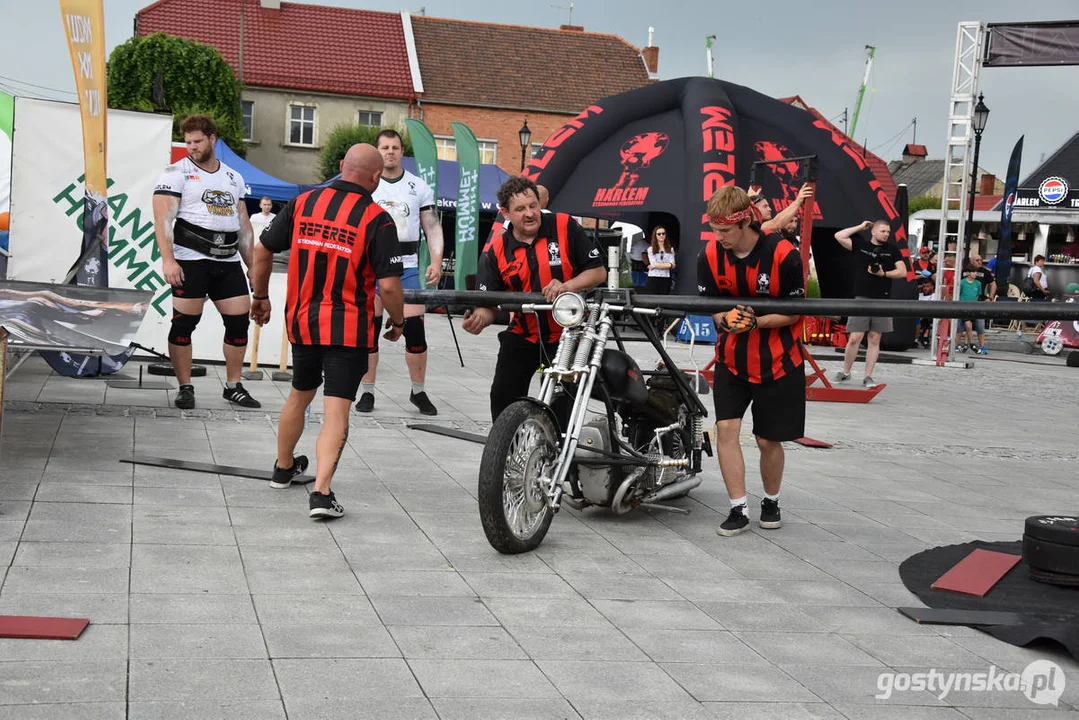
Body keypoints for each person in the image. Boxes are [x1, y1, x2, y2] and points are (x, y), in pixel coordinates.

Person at [250, 143, 405, 519]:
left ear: (340, 167)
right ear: (375, 178)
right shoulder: (377, 219)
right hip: (348, 329)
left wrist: (260, 296)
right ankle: (321, 493)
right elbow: (388, 287)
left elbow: (263, 249)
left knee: (299, 395)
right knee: (336, 410)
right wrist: (399, 322)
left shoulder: (303, 203)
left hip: (303, 321)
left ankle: (283, 468)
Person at [697, 186, 805, 537]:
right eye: (715, 230)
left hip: (779, 359)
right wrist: (723, 320)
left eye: (725, 231)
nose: (719, 237)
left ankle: (771, 500)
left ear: (745, 221)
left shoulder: (784, 255)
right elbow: (710, 305)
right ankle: (737, 508)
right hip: (731, 359)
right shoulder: (709, 256)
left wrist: (756, 321)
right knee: (726, 430)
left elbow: (794, 314)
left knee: (767, 439)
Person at [461, 177, 607, 421]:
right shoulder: (497, 251)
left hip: (567, 335)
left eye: (533, 206)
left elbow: (598, 272)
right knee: (502, 398)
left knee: (560, 406)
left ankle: (560, 453)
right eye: (520, 209)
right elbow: (487, 305)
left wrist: (567, 286)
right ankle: (506, 452)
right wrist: (478, 320)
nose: (530, 214)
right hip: (523, 334)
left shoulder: (564, 225)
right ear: (505, 213)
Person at [152, 114, 261, 410]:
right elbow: (162, 220)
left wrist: (253, 267)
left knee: (239, 325)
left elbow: (243, 226)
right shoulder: (175, 173)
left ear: (212, 139)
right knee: (184, 325)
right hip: (191, 261)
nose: (192, 146)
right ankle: (185, 386)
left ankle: (233, 386)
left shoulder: (233, 177)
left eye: (197, 141)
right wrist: (168, 261)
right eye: (187, 142)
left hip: (227, 263)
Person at [355, 129, 444, 416]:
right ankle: (366, 393)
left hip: (406, 266)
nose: (390, 152)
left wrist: (436, 260)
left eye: (395, 147)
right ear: (377, 151)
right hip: (371, 266)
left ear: (402, 152)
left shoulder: (418, 186)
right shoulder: (368, 184)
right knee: (369, 333)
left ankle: (418, 392)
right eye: (384, 147)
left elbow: (432, 227)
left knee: (415, 333)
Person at [832, 220, 908, 388]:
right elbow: (839, 236)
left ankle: (868, 376)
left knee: (874, 337)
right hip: (861, 297)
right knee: (855, 337)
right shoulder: (861, 246)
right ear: (873, 231)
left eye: (888, 232)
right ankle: (845, 372)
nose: (886, 234)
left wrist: (884, 274)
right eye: (882, 231)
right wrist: (860, 226)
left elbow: (903, 271)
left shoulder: (892, 250)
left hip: (882, 298)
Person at [748, 183, 813, 236]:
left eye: (768, 206)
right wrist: (798, 200)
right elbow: (776, 223)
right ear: (753, 209)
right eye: (765, 206)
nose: (770, 209)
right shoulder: (751, 227)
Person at [956, 264, 987, 354]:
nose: (975, 274)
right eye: (973, 272)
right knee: (967, 325)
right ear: (968, 273)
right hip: (963, 307)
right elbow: (959, 294)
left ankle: (966, 344)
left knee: (972, 326)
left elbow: (977, 295)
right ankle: (971, 344)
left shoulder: (978, 283)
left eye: (976, 272)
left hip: (973, 307)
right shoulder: (962, 282)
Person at [644, 225, 675, 295]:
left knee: (664, 298)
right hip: (653, 277)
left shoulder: (670, 249)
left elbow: (673, 265)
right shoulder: (650, 249)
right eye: (659, 234)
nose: (661, 235)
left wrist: (656, 266)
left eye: (663, 233)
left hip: (666, 278)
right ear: (655, 236)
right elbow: (654, 263)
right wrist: (668, 265)